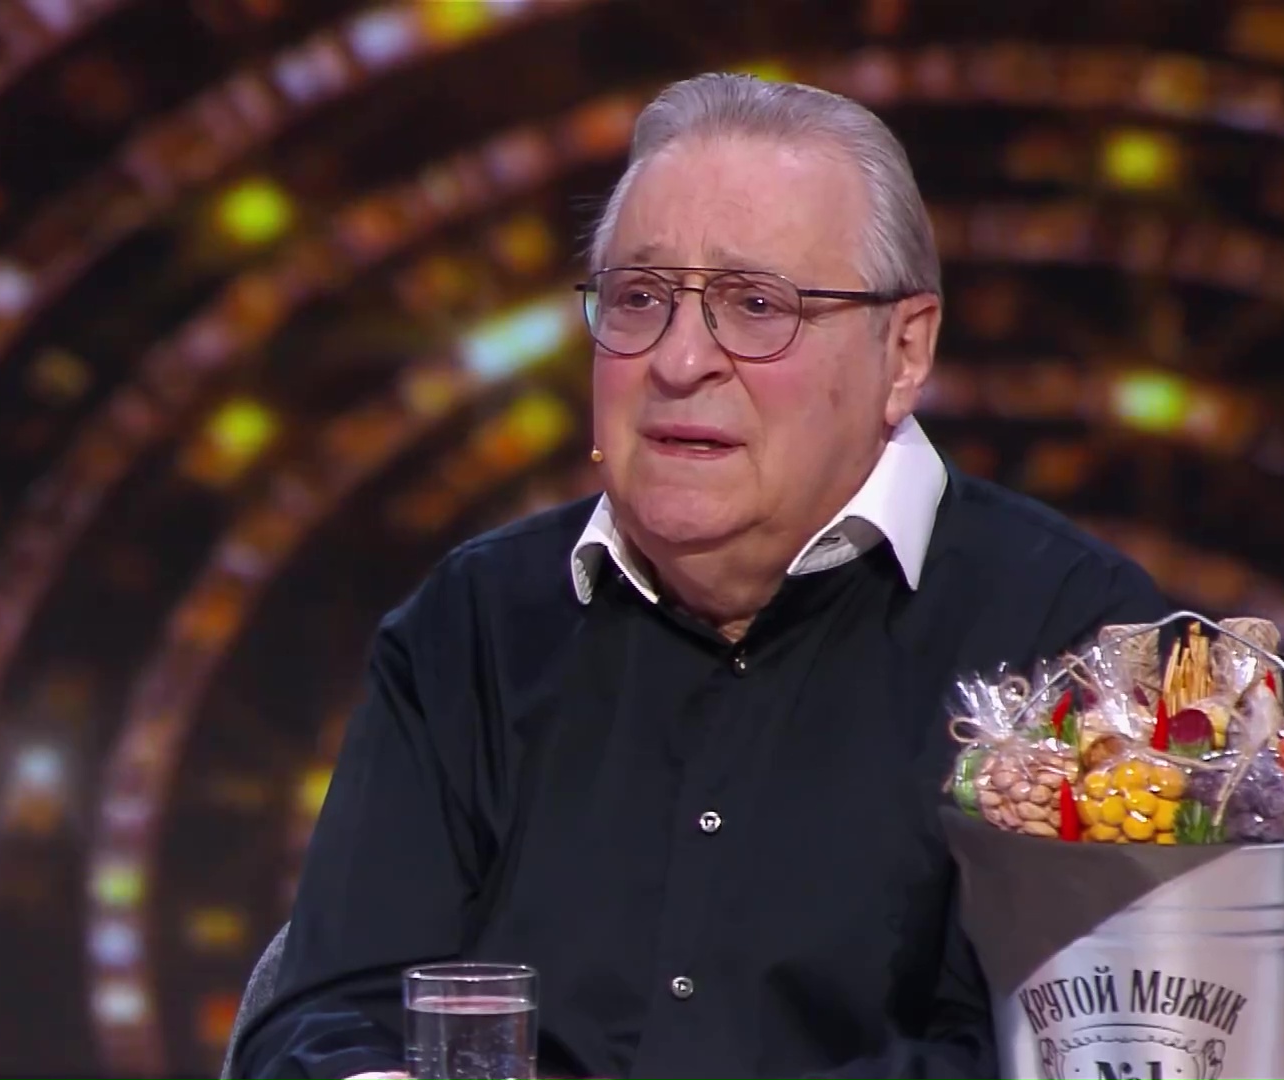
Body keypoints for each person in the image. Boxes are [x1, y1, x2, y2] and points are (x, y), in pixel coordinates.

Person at [233, 72, 1168, 1080]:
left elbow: (1071, 1053)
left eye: (756, 306)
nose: (680, 361)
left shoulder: (1076, 642)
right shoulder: (473, 626)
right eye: (639, 299)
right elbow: (326, 1019)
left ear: (904, 351)